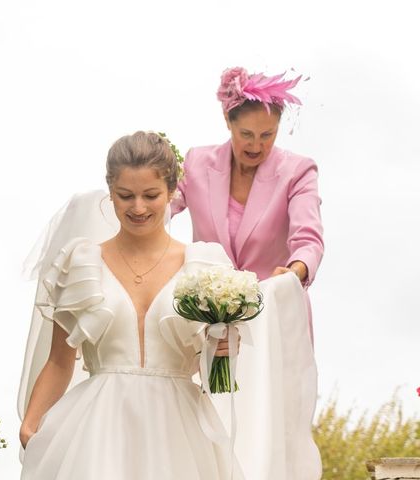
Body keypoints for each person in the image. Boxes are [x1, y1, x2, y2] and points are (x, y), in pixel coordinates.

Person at [17, 131, 321, 479]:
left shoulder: (205, 265)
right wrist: (30, 423)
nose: (138, 208)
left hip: (179, 434)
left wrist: (223, 347)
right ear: (110, 192)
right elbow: (59, 361)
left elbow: (216, 375)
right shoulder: (82, 262)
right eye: (125, 196)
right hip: (97, 430)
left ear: (172, 191)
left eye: (151, 195)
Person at [172, 67, 324, 314]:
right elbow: (156, 207)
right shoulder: (195, 163)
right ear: (227, 121)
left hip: (273, 311)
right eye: (246, 134)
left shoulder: (299, 172)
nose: (256, 145)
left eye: (267, 134)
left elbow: (308, 239)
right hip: (208, 316)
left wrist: (296, 270)